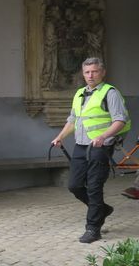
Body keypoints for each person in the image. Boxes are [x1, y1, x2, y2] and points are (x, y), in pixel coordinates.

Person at [51, 57, 131, 243]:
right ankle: (102, 209)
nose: (90, 75)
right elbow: (73, 120)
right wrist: (60, 137)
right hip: (81, 145)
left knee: (94, 187)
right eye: (87, 72)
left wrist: (103, 137)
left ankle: (93, 228)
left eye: (94, 71)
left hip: (101, 147)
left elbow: (120, 120)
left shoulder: (110, 93)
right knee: (75, 186)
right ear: (83, 73)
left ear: (102, 72)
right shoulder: (80, 93)